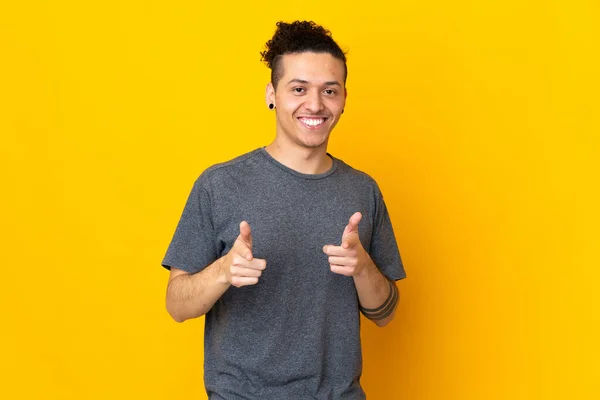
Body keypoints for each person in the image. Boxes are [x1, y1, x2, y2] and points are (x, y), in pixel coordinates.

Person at [161, 20, 406, 400]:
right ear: (271, 94)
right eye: (298, 89)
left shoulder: (363, 191)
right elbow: (176, 304)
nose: (315, 104)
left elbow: (385, 313)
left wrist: (362, 268)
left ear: (343, 98)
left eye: (329, 90)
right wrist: (223, 271)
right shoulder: (218, 185)